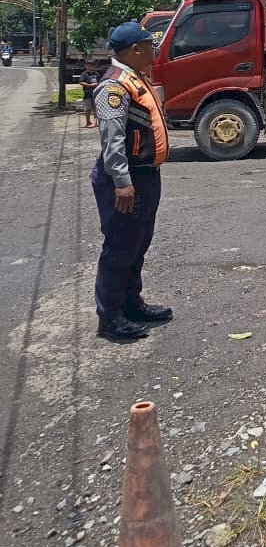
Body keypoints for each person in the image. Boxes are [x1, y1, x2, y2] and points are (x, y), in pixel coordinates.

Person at [90, 22, 173, 342]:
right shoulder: (113, 86)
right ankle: (110, 318)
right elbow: (112, 140)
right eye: (149, 45)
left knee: (137, 245)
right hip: (125, 181)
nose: (154, 50)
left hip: (145, 176)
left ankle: (131, 304)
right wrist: (122, 182)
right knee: (120, 248)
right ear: (135, 49)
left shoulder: (134, 78)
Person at [79, 59, 99, 127]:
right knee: (88, 108)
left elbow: (100, 81)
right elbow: (81, 82)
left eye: (92, 65)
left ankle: (95, 122)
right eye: (88, 65)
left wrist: (97, 84)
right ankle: (88, 122)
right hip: (87, 93)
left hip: (96, 94)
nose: (90, 66)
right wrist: (90, 85)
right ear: (85, 66)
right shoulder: (84, 74)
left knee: (95, 108)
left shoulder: (96, 74)